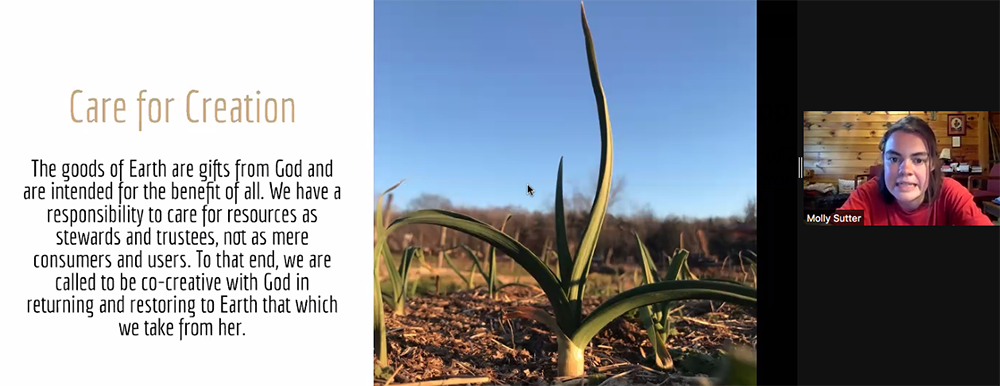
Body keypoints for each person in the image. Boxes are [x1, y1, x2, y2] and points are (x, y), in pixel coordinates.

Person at [836, 115, 994, 225]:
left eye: (918, 160)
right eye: (894, 159)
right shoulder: (866, 195)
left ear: (932, 163)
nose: (905, 170)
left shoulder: (951, 193)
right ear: (883, 160)